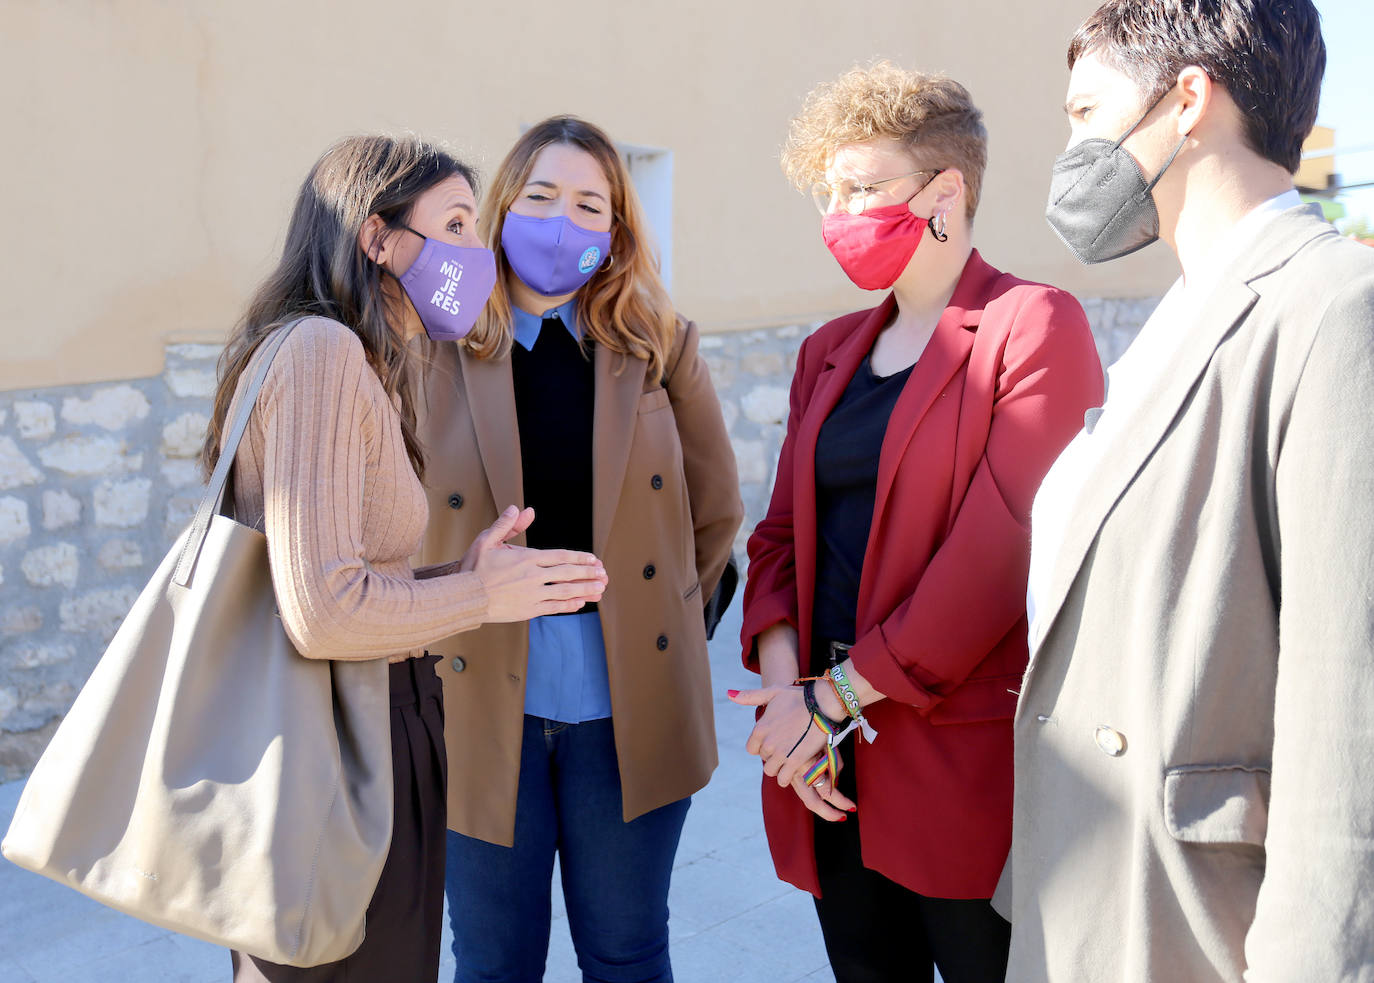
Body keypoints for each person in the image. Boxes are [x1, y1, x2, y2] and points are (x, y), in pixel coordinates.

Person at [999, 1, 1374, 979]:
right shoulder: (1178, 312)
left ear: (1190, 99)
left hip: (1193, 922)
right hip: (1086, 879)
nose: (1073, 151)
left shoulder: (1335, 307)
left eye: (1087, 113)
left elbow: (1349, 716)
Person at [198, 134, 608, 982]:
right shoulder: (322, 353)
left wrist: (465, 578)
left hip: (358, 737)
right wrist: (479, 599)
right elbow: (324, 611)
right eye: (454, 224)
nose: (476, 250)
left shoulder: (350, 357)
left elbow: (341, 574)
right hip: (337, 754)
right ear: (378, 239)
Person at [729, 64, 1104, 983]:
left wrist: (834, 698)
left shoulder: (1032, 324)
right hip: (825, 761)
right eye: (830, 193)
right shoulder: (826, 352)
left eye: (861, 189)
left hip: (957, 761)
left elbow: (998, 554)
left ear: (945, 193)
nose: (839, 214)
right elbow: (777, 539)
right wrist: (786, 697)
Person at [413, 115, 742, 983]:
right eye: (541, 196)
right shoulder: (431, 346)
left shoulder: (659, 342)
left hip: (630, 695)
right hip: (476, 696)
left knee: (628, 953)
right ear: (501, 209)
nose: (562, 222)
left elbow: (715, 511)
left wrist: (659, 617)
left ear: (617, 228)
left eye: (590, 205)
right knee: (493, 961)